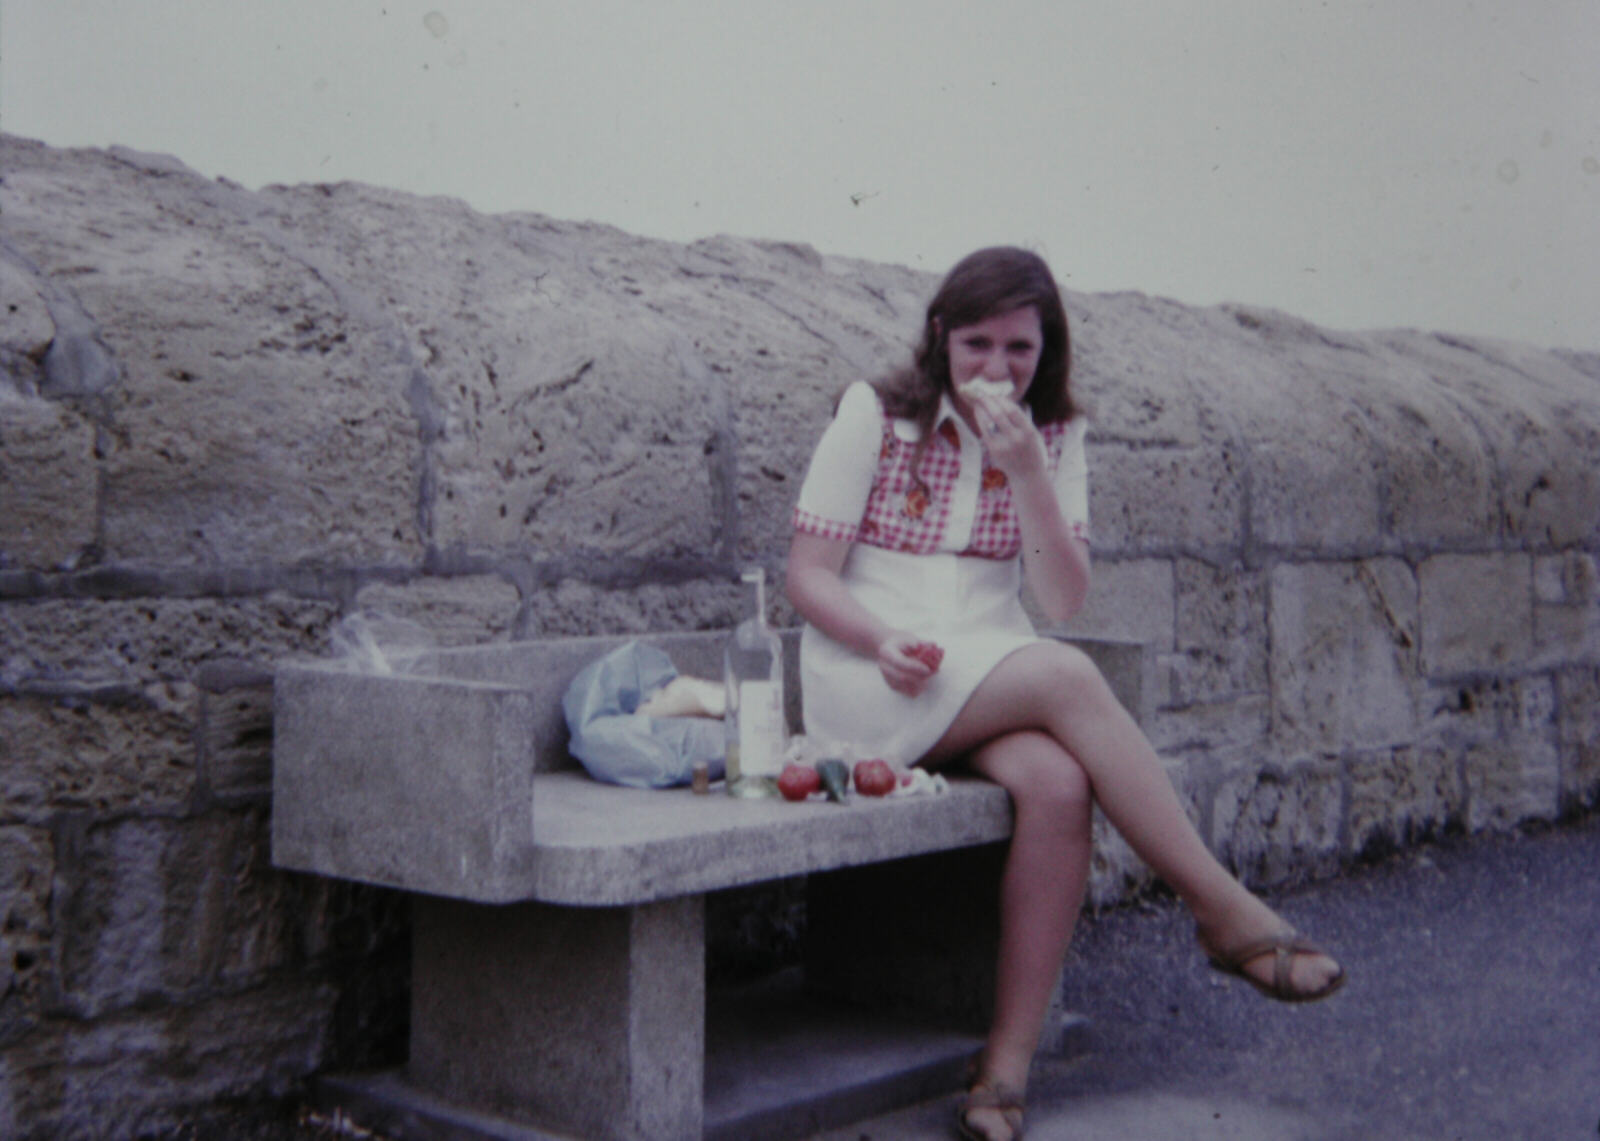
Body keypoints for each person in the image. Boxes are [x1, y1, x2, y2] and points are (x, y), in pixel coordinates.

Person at [785, 247, 1344, 1141]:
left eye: (1019, 349)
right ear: (939, 336)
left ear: (1047, 350)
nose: (997, 370)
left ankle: (1002, 1069)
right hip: (873, 677)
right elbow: (808, 575)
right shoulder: (878, 413)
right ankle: (1220, 908)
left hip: (989, 669)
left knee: (1058, 784)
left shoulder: (1055, 437)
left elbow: (1058, 600)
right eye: (976, 345)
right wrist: (879, 640)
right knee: (1067, 672)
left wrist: (1031, 475)